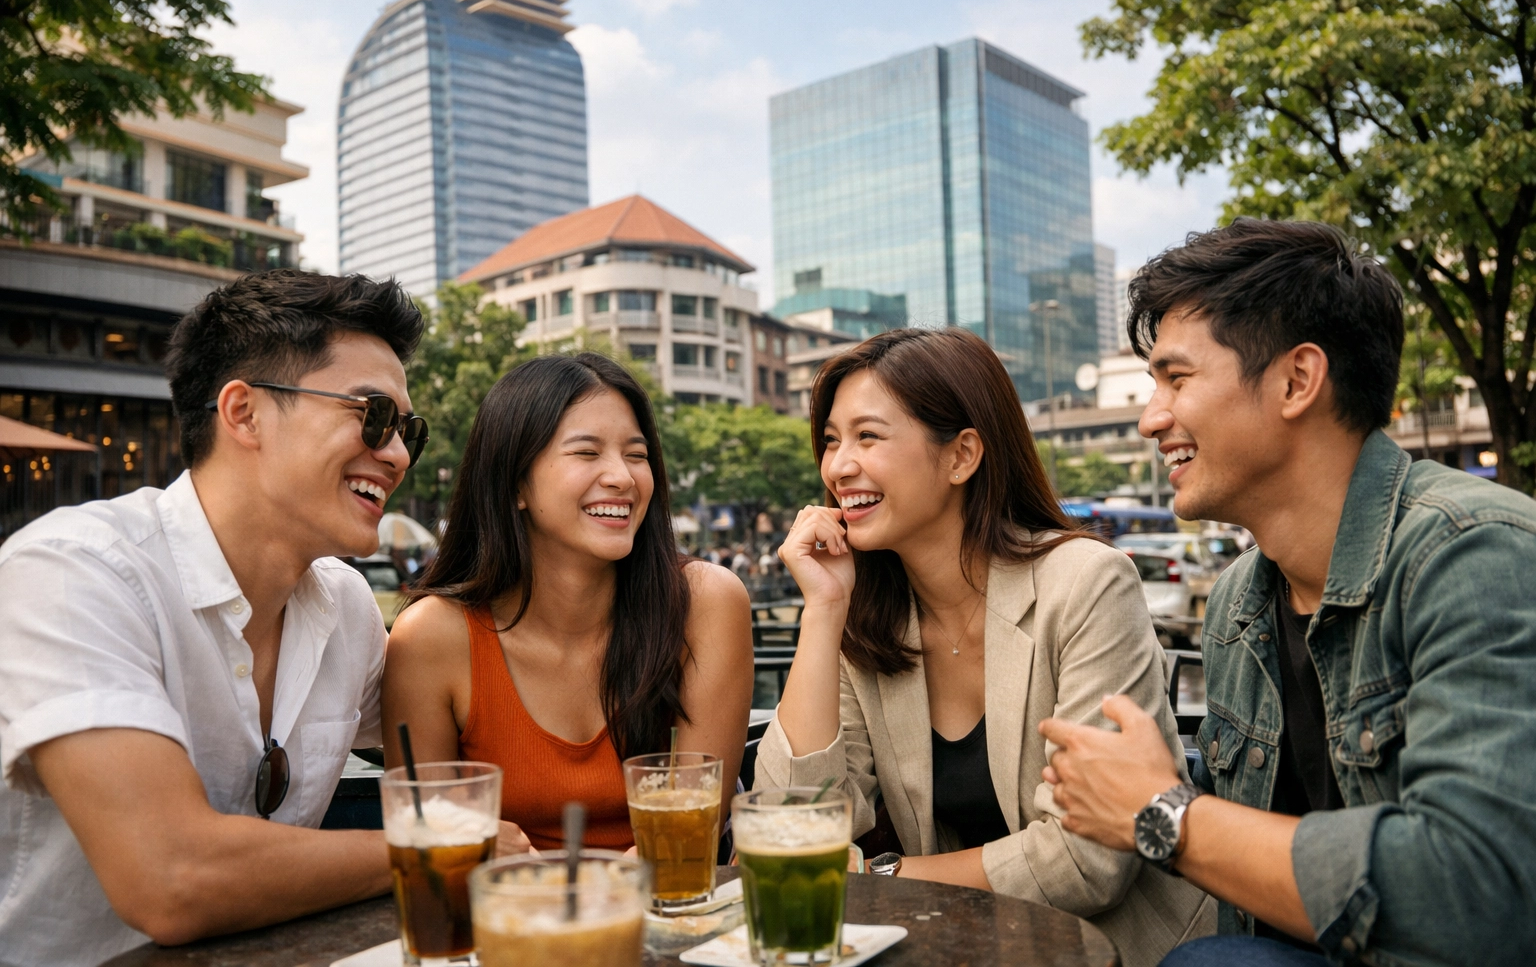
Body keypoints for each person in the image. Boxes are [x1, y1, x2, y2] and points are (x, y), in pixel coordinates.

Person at [1038, 220, 1536, 967]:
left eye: (1177, 379)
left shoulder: (1473, 553)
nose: (1151, 418)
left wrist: (1162, 813)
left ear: (1298, 380)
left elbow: (1478, 892)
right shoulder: (1240, 602)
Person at [0, 270, 429, 967]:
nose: (398, 453)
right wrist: (436, 851)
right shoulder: (76, 572)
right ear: (244, 412)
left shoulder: (346, 607)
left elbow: (461, 718)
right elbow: (171, 877)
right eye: (373, 415)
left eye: (410, 430)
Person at [756, 328, 1214, 967]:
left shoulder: (1085, 583)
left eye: (868, 436)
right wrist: (824, 610)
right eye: (831, 441)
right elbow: (790, 822)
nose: (837, 466)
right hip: (965, 949)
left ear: (961, 455)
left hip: (1124, 953)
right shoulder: (866, 614)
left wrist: (884, 878)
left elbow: (1089, 860)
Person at [383, 354, 753, 851]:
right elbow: (429, 847)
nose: (622, 477)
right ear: (515, 482)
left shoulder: (706, 603)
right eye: (586, 453)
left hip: (669, 909)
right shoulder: (430, 637)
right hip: (503, 916)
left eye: (637, 455)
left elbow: (688, 835)